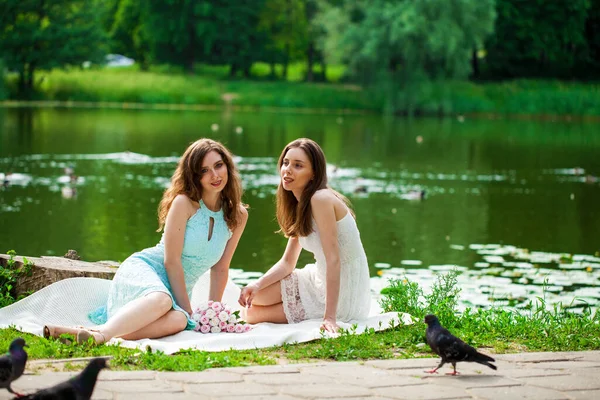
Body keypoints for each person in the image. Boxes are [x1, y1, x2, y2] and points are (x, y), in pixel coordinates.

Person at [44, 138, 248, 344]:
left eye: (218, 165)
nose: (215, 175)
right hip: (146, 270)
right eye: (204, 171)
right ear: (194, 176)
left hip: (177, 291)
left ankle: (91, 332)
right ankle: (101, 335)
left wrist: (211, 314)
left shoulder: (238, 215)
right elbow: (171, 261)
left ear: (227, 166)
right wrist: (188, 308)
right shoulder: (184, 203)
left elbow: (221, 268)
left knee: (179, 320)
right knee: (164, 300)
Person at [238, 138, 370, 333]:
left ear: (313, 174)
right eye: (286, 163)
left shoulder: (321, 199)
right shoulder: (301, 205)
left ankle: (326, 311)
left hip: (343, 291)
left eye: (298, 165)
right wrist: (257, 284)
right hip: (318, 278)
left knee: (250, 315)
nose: (288, 170)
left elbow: (334, 260)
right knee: (253, 299)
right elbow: (287, 263)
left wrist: (330, 318)